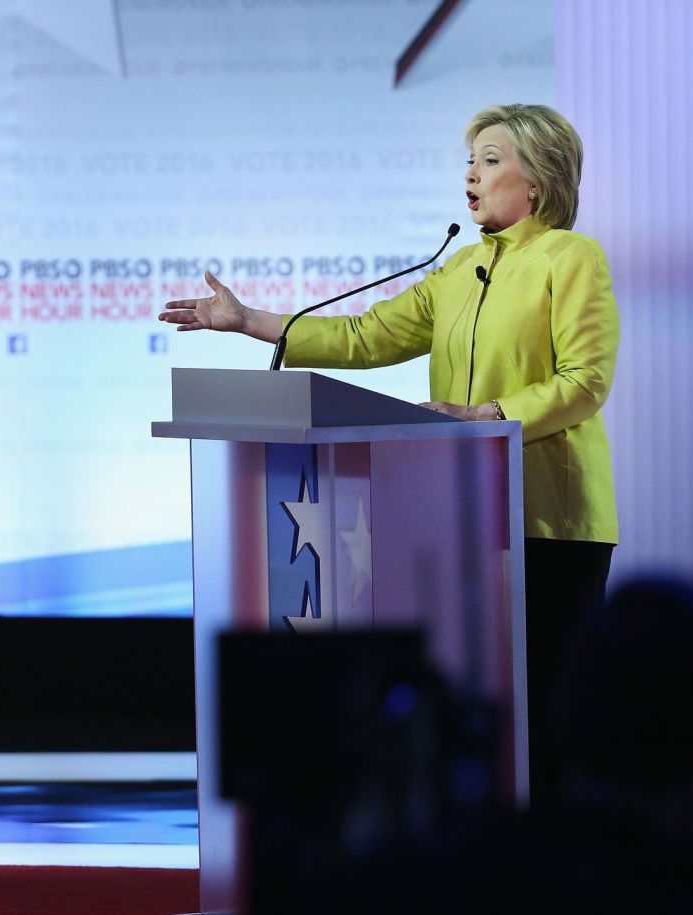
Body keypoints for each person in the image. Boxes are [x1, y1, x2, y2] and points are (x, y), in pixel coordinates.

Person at [158, 103, 619, 805]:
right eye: (469, 159)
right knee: (477, 703)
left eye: (490, 160)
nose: (471, 173)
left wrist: (489, 414)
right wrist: (247, 320)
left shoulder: (570, 257)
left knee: (548, 704)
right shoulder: (459, 268)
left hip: (548, 518)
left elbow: (586, 381)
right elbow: (365, 338)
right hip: (465, 510)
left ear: (540, 178)